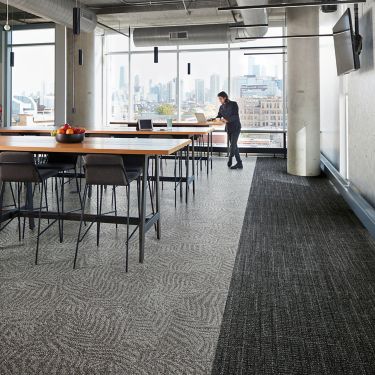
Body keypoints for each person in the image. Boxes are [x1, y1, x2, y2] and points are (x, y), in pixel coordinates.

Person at [216, 91, 243, 169]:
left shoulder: (234, 104)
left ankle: (230, 159)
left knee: (233, 145)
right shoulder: (221, 107)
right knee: (234, 146)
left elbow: (235, 116)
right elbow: (219, 116)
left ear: (225, 97)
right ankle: (239, 163)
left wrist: (226, 120)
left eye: (221, 99)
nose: (220, 101)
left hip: (236, 127)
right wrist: (213, 119)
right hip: (229, 128)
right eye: (219, 99)